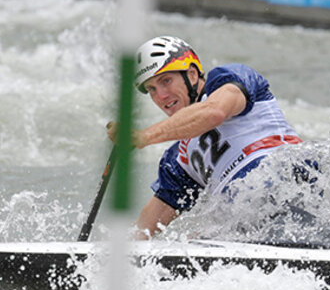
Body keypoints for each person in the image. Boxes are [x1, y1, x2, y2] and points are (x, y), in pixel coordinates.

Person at [115, 35, 305, 240]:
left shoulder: (228, 79)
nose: (161, 96)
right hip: (245, 218)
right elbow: (143, 231)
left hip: (288, 182)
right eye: (152, 89)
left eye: (166, 81)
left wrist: (144, 137)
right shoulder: (177, 159)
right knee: (193, 240)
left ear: (192, 74)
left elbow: (214, 113)